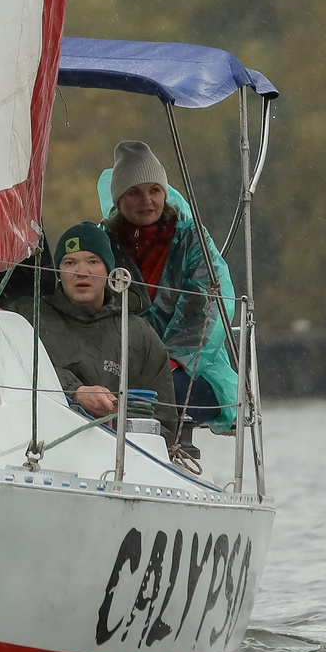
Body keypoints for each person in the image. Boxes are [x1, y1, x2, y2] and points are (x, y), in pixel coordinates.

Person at [99, 141, 241, 440]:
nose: (147, 200)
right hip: (117, 368)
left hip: (191, 370)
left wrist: (167, 362)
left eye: (155, 190)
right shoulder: (103, 243)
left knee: (155, 396)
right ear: (118, 198)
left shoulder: (191, 241)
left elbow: (207, 310)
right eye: (134, 192)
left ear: (165, 193)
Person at [32, 219, 192, 465]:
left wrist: (119, 420)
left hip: (118, 461)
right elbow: (15, 370)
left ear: (110, 271)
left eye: (93, 262)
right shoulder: (29, 317)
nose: (81, 272)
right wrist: (76, 392)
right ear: (59, 272)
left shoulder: (139, 334)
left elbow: (164, 419)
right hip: (41, 449)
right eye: (70, 262)